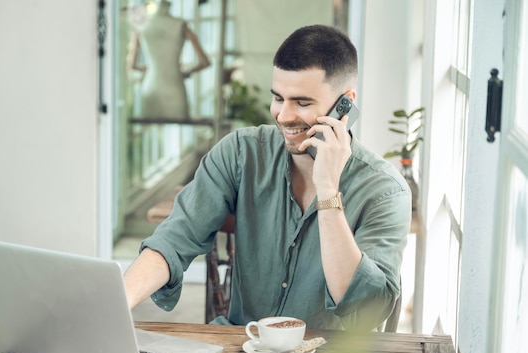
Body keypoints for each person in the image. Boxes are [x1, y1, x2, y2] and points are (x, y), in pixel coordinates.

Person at [123, 24, 411, 331]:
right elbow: (175, 238)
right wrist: (117, 303)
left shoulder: (384, 191)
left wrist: (328, 191)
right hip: (241, 352)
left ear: (345, 103)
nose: (284, 116)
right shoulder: (241, 153)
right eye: (278, 98)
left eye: (302, 103)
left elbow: (366, 306)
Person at [127, 0, 210, 120]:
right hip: (175, 86)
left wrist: (152, 68)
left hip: (150, 86)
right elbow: (205, 62)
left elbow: (132, 65)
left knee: (148, 132)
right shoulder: (180, 25)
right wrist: (186, 71)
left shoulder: (141, 27)